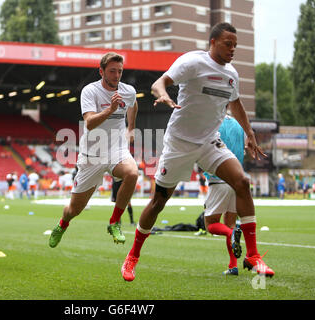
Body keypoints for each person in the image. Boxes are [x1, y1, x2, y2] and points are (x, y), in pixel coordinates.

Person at [121, 23, 274, 282]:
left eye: (235, 44)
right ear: (213, 42)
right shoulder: (193, 62)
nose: (233, 49)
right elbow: (161, 82)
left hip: (209, 141)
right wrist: (163, 95)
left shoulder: (232, 74)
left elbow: (235, 103)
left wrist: (249, 133)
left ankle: (253, 255)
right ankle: (132, 256)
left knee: (243, 183)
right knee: (159, 202)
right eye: (228, 43)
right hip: (179, 142)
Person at [49, 52, 139, 248]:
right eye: (112, 71)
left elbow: (133, 103)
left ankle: (114, 222)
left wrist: (131, 127)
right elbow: (89, 123)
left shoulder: (128, 91)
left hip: (117, 149)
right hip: (92, 155)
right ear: (101, 71)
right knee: (74, 209)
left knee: (133, 173)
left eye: (120, 71)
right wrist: (110, 109)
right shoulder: (90, 91)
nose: (117, 75)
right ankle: (62, 224)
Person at [203, 114, 245, 276]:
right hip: (236, 179)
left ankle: (231, 234)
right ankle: (233, 266)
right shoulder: (238, 123)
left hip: (218, 178)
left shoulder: (211, 121)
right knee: (230, 223)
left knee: (211, 225)